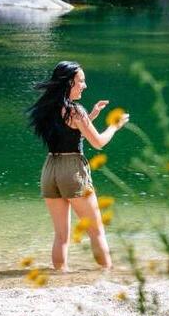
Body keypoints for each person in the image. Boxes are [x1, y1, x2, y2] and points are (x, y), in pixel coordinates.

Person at [28, 61, 129, 270]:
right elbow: (98, 142)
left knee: (61, 236)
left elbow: (69, 130)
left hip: (50, 170)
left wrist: (90, 117)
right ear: (69, 83)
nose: (84, 85)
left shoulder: (48, 109)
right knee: (96, 231)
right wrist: (114, 126)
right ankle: (107, 274)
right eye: (81, 81)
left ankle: (60, 276)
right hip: (72, 170)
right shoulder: (75, 111)